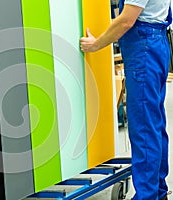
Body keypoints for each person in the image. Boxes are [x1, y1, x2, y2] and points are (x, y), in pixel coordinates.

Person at [80, 0, 172, 199]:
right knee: (154, 124)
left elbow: (126, 21)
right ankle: (157, 191)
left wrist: (96, 44)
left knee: (145, 128)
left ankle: (148, 196)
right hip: (154, 43)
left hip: (144, 48)